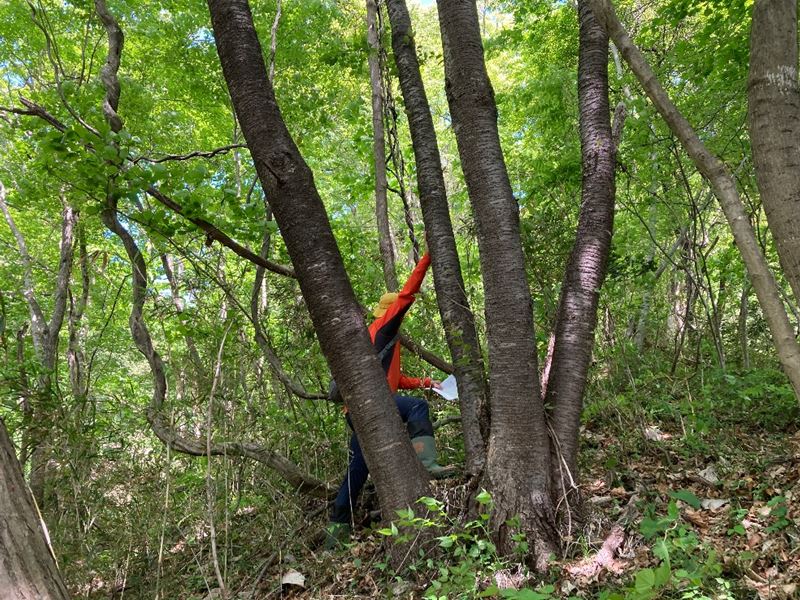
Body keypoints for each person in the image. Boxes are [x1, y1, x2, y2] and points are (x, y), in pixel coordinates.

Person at [324, 253, 455, 549]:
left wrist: (425, 382)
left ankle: (337, 529)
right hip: (369, 406)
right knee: (418, 408)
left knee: (359, 466)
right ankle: (428, 463)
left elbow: (395, 381)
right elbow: (408, 293)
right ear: (389, 310)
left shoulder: (380, 341)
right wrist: (428, 257)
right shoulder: (383, 328)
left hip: (356, 410)